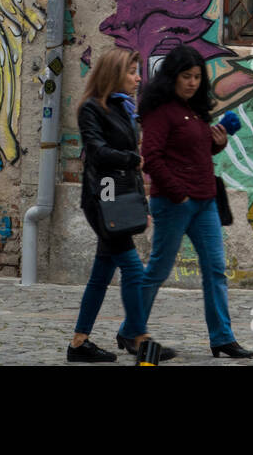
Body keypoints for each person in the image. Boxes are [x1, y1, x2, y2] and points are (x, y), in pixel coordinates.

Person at [134, 45, 253, 359]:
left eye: (197, 77)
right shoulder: (161, 112)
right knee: (158, 270)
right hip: (175, 203)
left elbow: (196, 154)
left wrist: (218, 143)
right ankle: (131, 330)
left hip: (205, 201)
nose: (192, 82)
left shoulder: (196, 110)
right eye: (186, 76)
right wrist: (178, 193)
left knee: (215, 269)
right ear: (172, 77)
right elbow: (152, 158)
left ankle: (222, 338)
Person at [68, 47, 172, 362]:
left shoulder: (123, 109)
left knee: (101, 274)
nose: (138, 78)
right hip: (102, 198)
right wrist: (133, 159)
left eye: (138, 71)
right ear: (113, 74)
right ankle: (140, 338)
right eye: (131, 72)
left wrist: (141, 202)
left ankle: (78, 344)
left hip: (120, 196)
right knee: (132, 269)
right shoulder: (91, 108)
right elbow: (97, 152)